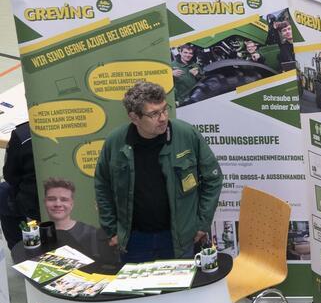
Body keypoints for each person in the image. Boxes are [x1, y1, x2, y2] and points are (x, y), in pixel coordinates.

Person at [93, 81, 222, 262]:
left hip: (178, 238)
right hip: (135, 240)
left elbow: (213, 178)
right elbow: (102, 185)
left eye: (164, 109)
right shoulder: (116, 142)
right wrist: (112, 230)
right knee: (140, 290)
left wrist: (202, 223)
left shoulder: (187, 134)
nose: (163, 118)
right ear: (134, 117)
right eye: (154, 114)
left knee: (180, 290)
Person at [42, 178, 111, 262]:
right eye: (51, 199)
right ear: (44, 202)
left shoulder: (92, 234)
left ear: (72, 204)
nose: (58, 204)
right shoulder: (35, 236)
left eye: (64, 199)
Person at [0, 120, 36, 247]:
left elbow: (11, 176)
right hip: (82, 199)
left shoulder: (23, 134)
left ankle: (19, 249)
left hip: (35, 207)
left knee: (3, 192)